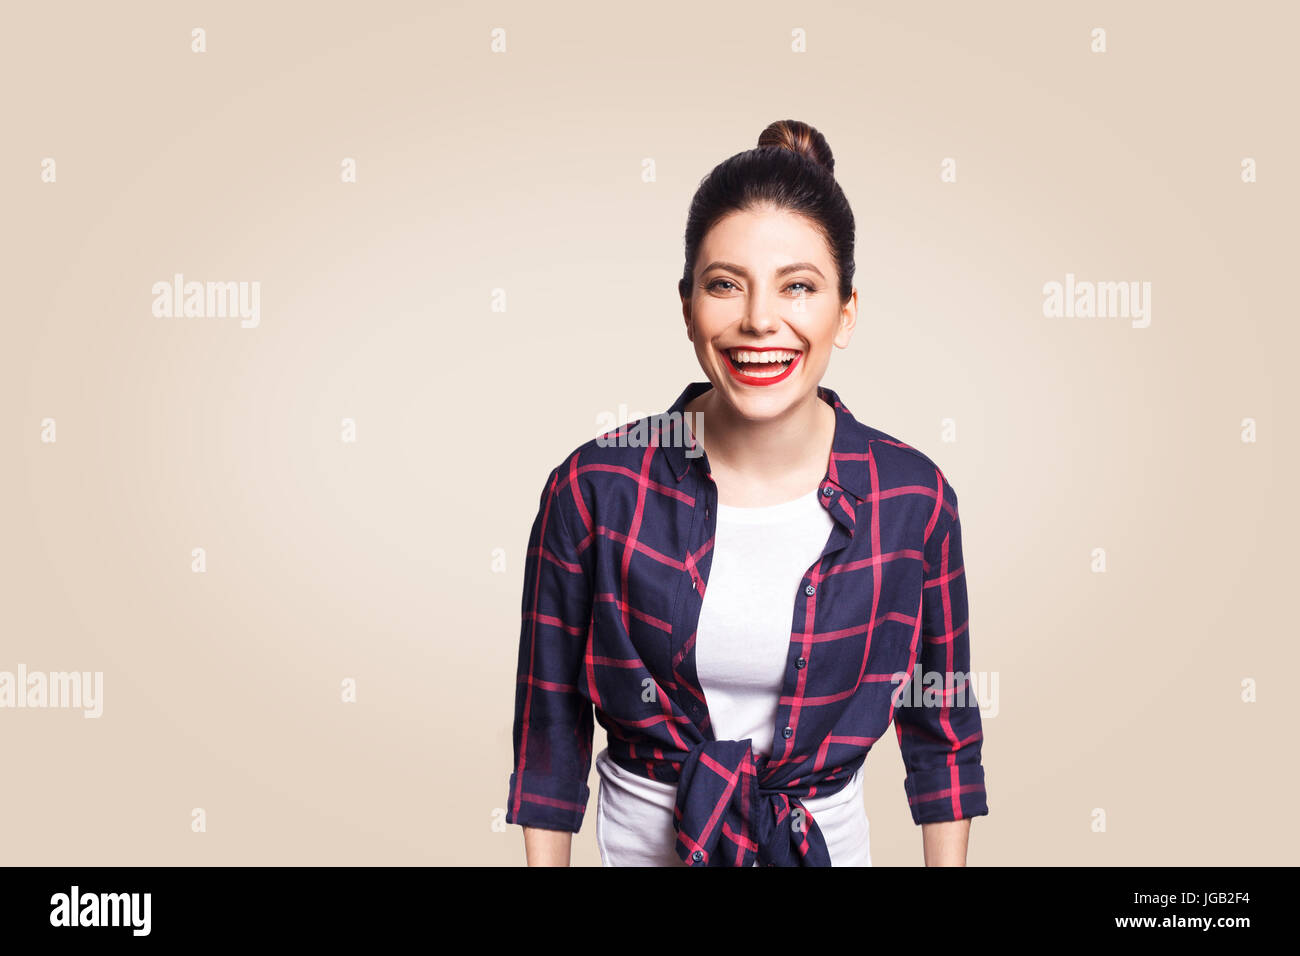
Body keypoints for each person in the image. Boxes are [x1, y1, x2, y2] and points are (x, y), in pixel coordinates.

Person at [505, 119, 988, 866]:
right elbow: (549, 730)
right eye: (726, 284)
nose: (760, 319)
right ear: (688, 305)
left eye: (799, 286)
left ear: (846, 312)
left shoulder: (912, 499)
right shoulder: (594, 487)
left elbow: (944, 733)